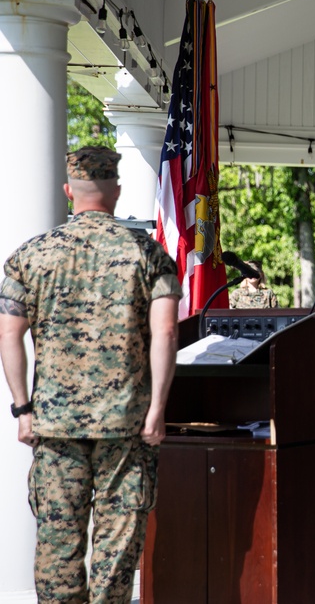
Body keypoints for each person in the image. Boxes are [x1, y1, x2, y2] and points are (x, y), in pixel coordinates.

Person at [0, 147, 181, 603]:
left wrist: (23, 409)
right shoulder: (149, 253)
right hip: (127, 426)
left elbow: (8, 335)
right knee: (117, 545)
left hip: (55, 425)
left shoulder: (31, 255)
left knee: (58, 544)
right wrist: (157, 409)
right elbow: (165, 332)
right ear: (116, 191)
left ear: (68, 192)